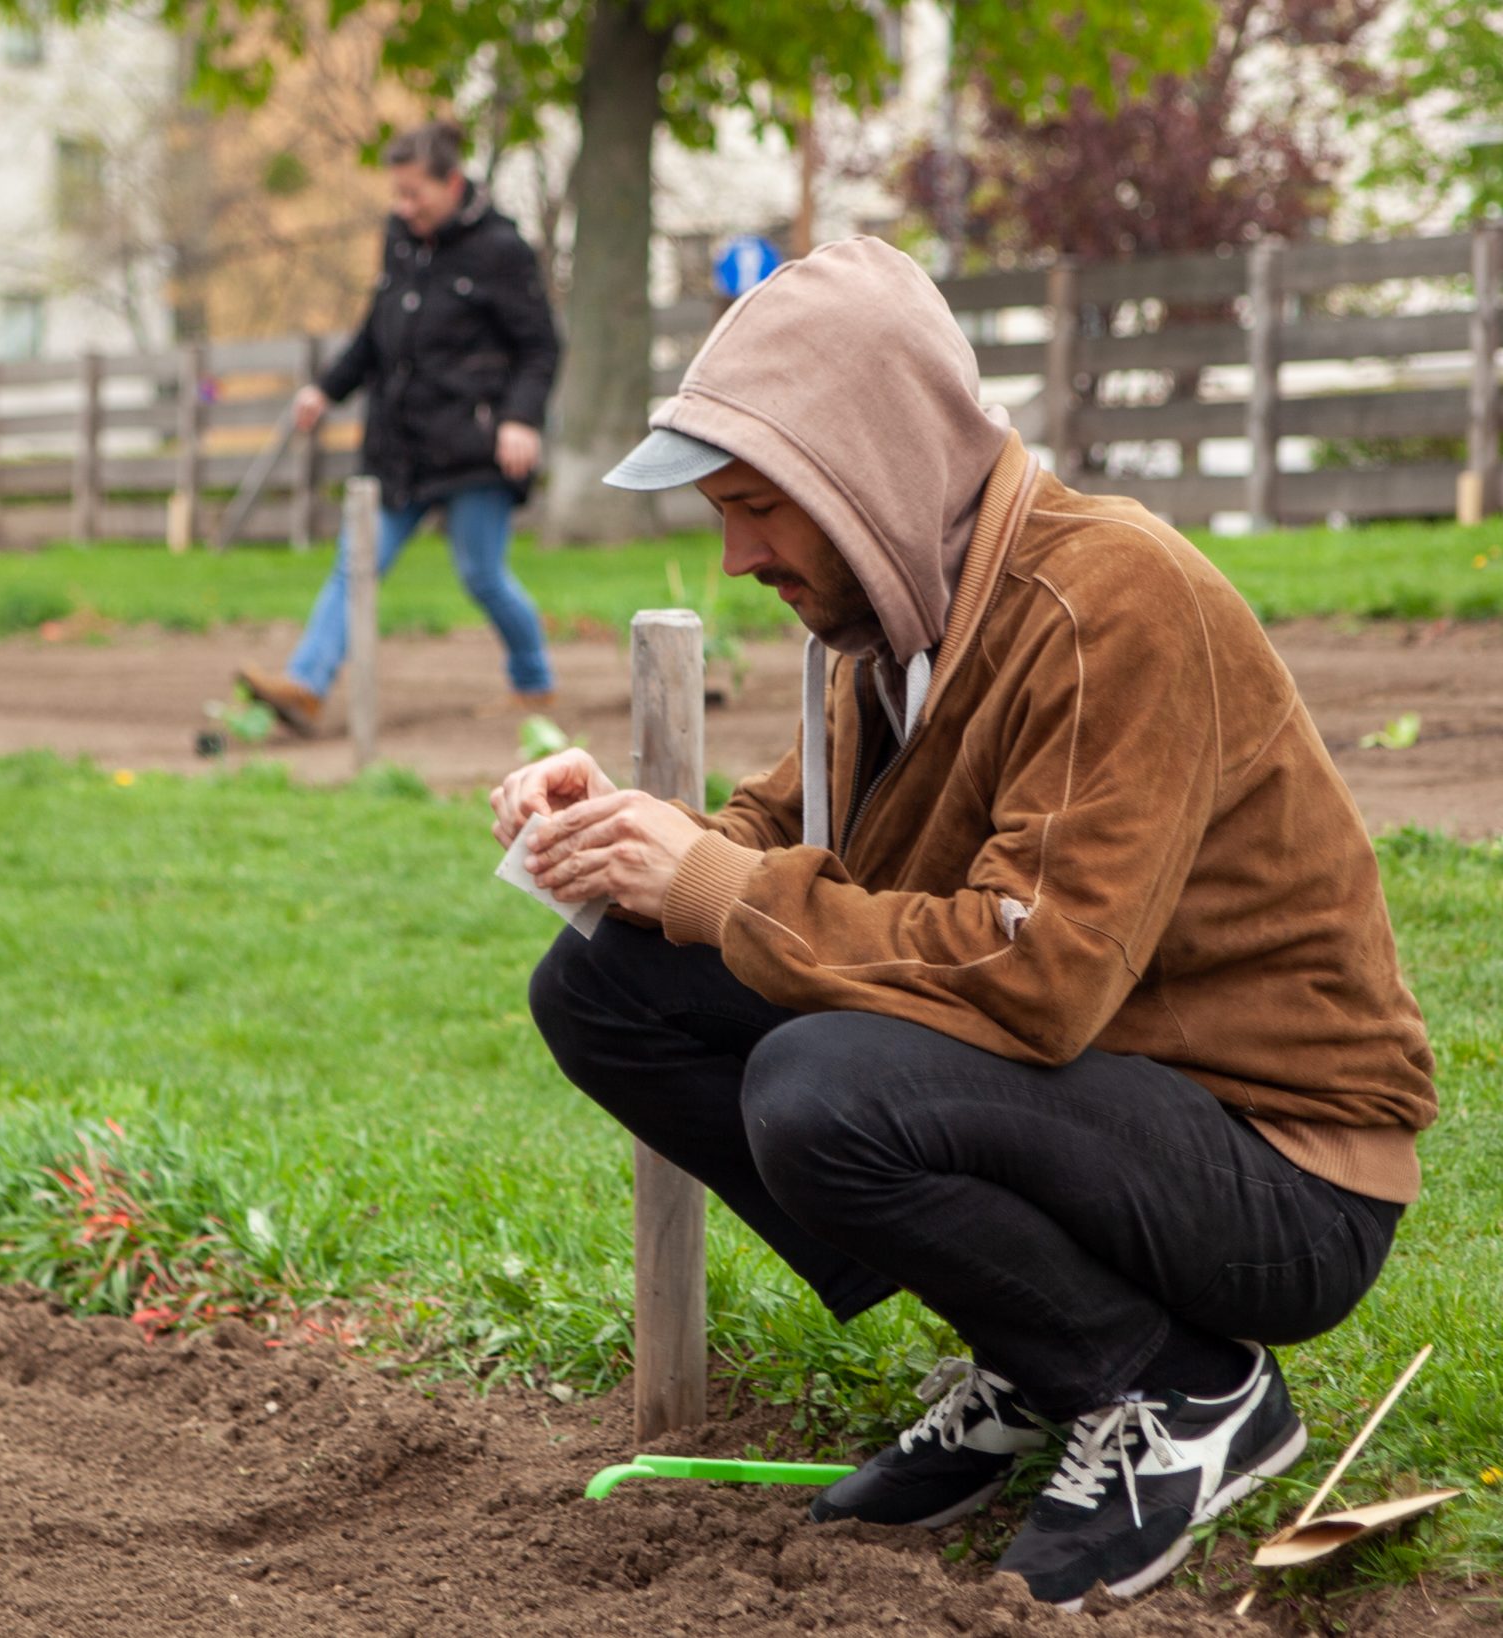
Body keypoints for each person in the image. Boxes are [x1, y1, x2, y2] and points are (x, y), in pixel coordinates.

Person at [490, 238, 1435, 1611]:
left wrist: (713, 883)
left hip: (1276, 1177)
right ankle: (1038, 1347)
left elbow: (1038, 972)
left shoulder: (1111, 602)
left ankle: (1179, 1389)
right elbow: (774, 843)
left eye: (756, 507)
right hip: (1103, 1105)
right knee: (605, 983)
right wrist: (613, 838)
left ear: (863, 472)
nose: (738, 555)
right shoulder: (888, 631)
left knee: (821, 1086)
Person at [237, 119, 561, 735]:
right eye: (397, 194)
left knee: (482, 575)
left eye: (415, 194)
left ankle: (533, 680)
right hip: (400, 447)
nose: (403, 207)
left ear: (452, 184)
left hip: (473, 446)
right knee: (355, 564)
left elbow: (540, 348)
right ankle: (305, 687)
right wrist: (326, 390)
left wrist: (521, 419)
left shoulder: (501, 250)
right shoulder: (401, 240)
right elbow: (375, 333)